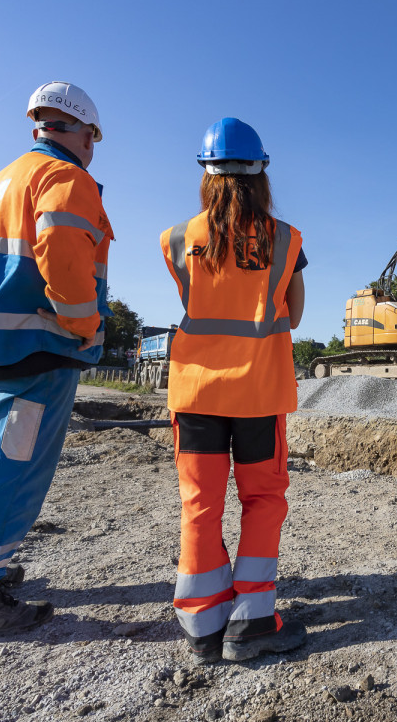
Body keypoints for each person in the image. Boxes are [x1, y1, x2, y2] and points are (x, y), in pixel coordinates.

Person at [0, 81, 113, 641]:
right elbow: (62, 258)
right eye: (93, 139)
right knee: (13, 468)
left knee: (1, 458)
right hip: (37, 347)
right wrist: (85, 328)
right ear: (83, 132)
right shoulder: (64, 179)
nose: (92, 149)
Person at [160, 117, 308, 665]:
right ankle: (252, 622)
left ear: (206, 174)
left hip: (195, 392)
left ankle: (202, 625)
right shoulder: (287, 240)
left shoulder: (175, 240)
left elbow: (194, 301)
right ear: (261, 174)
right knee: (263, 501)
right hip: (259, 394)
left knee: (200, 504)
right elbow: (293, 314)